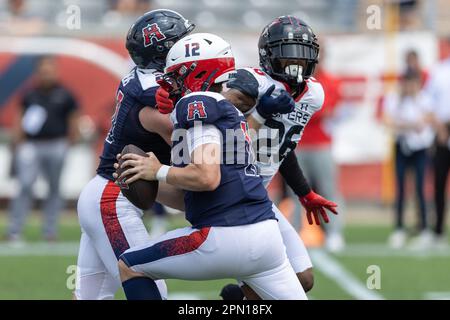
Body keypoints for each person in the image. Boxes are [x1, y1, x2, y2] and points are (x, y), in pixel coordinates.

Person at [155, 16, 338, 299]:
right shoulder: (250, 82)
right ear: (268, 56)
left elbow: (280, 147)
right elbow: (212, 120)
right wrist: (174, 101)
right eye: (288, 56)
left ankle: (237, 300)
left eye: (302, 57)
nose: (296, 65)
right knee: (275, 269)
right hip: (232, 190)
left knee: (302, 278)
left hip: (256, 194)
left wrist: (304, 192)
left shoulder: (314, 94)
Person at [115, 32, 307, 300]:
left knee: (130, 265)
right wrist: (146, 181)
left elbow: (207, 178)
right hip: (266, 239)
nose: (170, 84)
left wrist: (157, 170)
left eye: (177, 76)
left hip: (222, 235)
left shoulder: (196, 103)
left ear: (197, 73)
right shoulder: (228, 113)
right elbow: (194, 196)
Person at [75, 9, 195, 300]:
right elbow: (178, 129)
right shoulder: (154, 89)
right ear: (163, 51)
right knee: (147, 284)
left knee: (90, 297)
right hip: (113, 198)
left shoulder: (145, 79)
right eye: (181, 43)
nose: (188, 50)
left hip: (105, 193)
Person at [7, 55, 80, 243]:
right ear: (37, 72)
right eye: (43, 70)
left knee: (54, 188)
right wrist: (17, 141)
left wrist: (69, 142)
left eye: (50, 69)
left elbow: (74, 119)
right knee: (24, 186)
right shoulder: (30, 94)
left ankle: (50, 231)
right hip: (32, 145)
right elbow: (20, 118)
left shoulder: (66, 94)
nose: (46, 74)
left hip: (57, 144)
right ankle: (15, 231)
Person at [294, 43, 346, 252]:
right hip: (297, 143)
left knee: (328, 189)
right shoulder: (298, 81)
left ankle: (334, 233)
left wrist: (305, 113)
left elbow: (326, 111)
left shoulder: (331, 81)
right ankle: (295, 233)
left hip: (322, 144)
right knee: (296, 192)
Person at [383, 70, 434, 249]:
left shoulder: (423, 98)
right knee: (401, 189)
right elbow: (389, 120)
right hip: (402, 145)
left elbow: (428, 119)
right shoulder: (395, 99)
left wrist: (408, 123)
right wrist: (410, 124)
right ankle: (399, 229)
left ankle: (424, 229)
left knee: (420, 188)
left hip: (420, 147)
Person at [425, 36, 450, 248]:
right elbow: (428, 102)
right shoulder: (440, 71)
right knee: (439, 183)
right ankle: (439, 229)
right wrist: (439, 127)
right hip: (443, 130)